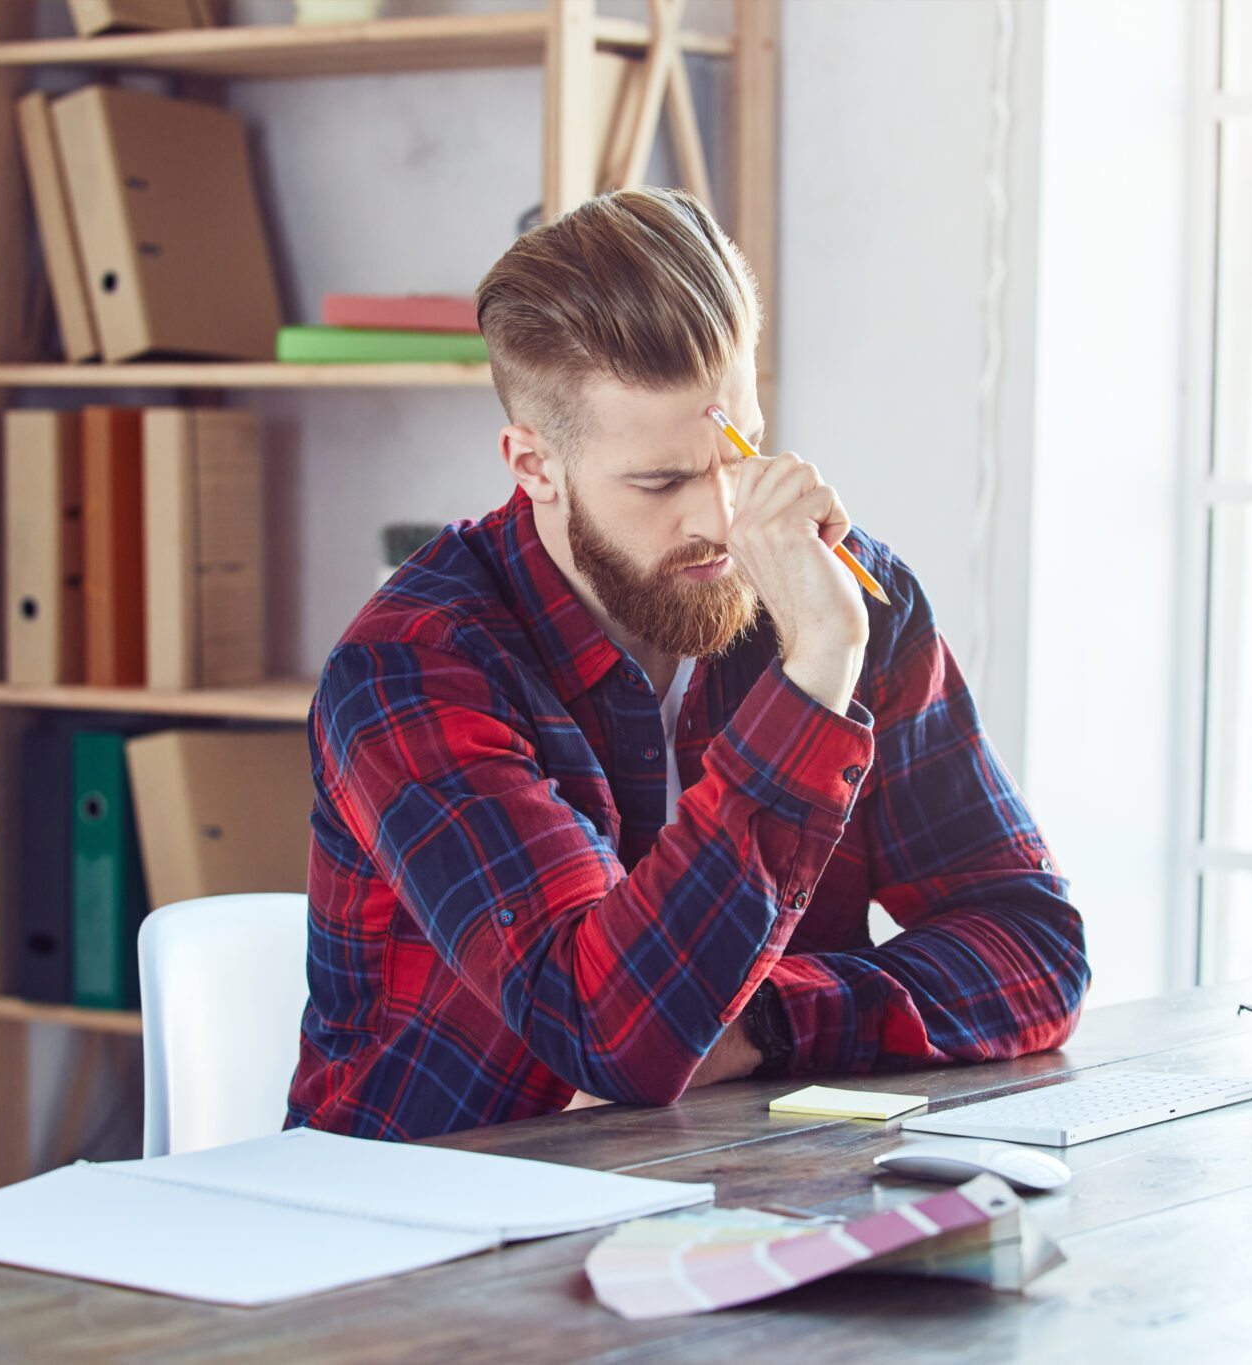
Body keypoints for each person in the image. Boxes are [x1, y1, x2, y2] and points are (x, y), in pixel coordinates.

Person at [288, 187, 1089, 1141]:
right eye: (660, 482)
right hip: (418, 1226)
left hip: (739, 1184)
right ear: (533, 465)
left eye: (736, 452)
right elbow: (613, 1033)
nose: (717, 518)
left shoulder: (845, 594)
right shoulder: (412, 669)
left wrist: (761, 1024)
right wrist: (813, 680)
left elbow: (1037, 951)